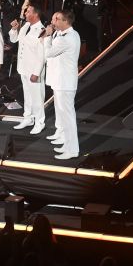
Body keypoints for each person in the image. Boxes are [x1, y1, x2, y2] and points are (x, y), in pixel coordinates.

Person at [44, 9, 81, 160]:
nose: (53, 22)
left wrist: (47, 37)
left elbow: (48, 53)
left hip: (65, 83)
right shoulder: (68, 34)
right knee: (63, 115)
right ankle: (67, 143)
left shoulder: (67, 38)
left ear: (65, 21)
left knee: (68, 117)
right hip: (61, 81)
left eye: (57, 19)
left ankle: (72, 149)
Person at [9, 1, 47, 133]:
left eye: (28, 11)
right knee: (27, 96)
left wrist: (36, 72)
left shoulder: (41, 31)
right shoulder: (26, 26)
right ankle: (28, 118)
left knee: (37, 98)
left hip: (34, 70)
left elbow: (42, 55)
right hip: (23, 68)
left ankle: (39, 122)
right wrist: (14, 29)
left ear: (35, 14)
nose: (25, 13)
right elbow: (14, 40)